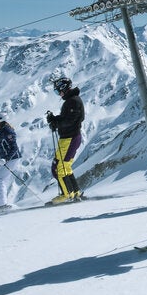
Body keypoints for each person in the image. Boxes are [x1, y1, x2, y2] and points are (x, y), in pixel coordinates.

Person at [45, 76, 85, 204]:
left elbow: (69, 121)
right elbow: (68, 118)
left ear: (64, 88)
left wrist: (55, 122)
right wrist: (55, 120)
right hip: (71, 137)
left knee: (58, 167)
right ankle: (75, 192)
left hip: (69, 138)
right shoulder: (72, 100)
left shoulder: (73, 101)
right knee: (65, 166)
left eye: (58, 91)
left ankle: (66, 195)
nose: (58, 94)